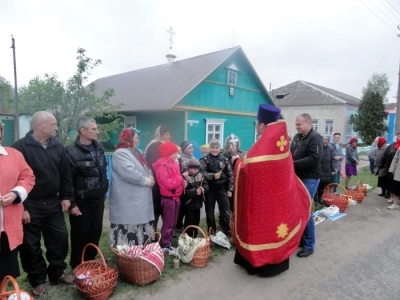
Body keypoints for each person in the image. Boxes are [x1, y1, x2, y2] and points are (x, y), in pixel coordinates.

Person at [233, 104, 312, 277]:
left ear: (262, 125)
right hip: (280, 201)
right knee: (277, 231)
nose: (256, 125)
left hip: (262, 203)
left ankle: (259, 263)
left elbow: (246, 169)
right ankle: (277, 261)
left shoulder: (260, 148)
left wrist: (236, 162)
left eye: (256, 123)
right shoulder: (281, 145)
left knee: (261, 231)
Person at [12, 111, 74, 297]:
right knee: (30, 245)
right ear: (40, 125)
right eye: (53, 124)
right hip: (30, 204)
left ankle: (57, 272)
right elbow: (14, 180)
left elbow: (65, 174)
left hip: (53, 202)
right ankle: (37, 279)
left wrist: (66, 196)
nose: (56, 127)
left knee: (60, 239)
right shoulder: (20, 148)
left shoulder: (57, 146)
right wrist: (22, 207)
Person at [64, 117, 109, 270]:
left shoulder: (99, 147)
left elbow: (102, 171)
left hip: (98, 198)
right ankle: (78, 265)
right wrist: (72, 204)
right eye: (94, 129)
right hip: (81, 201)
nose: (97, 131)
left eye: (97, 128)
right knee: (80, 234)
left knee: (95, 231)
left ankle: (90, 260)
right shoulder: (70, 151)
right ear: (83, 131)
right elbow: (67, 179)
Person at [0, 119, 35, 281]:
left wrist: (15, 193)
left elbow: (28, 177)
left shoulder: (14, 155)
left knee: (6, 268)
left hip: (8, 226)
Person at [109, 128, 155, 247]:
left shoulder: (136, 153)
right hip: (128, 198)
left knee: (140, 223)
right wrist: (146, 181)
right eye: (135, 138)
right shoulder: (121, 153)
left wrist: (150, 175)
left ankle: (140, 251)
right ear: (128, 139)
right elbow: (129, 173)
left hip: (139, 198)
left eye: (138, 138)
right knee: (130, 224)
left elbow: (146, 168)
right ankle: (127, 254)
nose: (137, 140)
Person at [290, 113, 323, 258]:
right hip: (296, 177)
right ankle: (302, 240)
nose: (296, 127)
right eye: (296, 124)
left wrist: (292, 164)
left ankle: (309, 246)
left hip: (310, 178)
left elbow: (314, 159)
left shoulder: (315, 138)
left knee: (306, 210)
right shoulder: (297, 137)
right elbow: (291, 153)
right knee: (297, 210)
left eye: (299, 124)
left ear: (308, 123)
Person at [152, 141, 186, 253]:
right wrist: (181, 179)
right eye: (174, 153)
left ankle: (169, 242)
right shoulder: (162, 166)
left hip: (175, 197)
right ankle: (164, 244)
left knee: (173, 222)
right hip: (168, 198)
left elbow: (176, 180)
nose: (176, 155)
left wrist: (183, 183)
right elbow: (168, 184)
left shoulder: (173, 163)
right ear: (167, 153)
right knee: (168, 223)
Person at [200, 139, 233, 237]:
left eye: (217, 148)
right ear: (209, 148)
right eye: (212, 148)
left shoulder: (224, 159)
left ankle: (227, 230)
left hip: (222, 189)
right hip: (210, 189)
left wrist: (230, 189)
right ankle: (211, 232)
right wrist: (213, 175)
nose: (215, 150)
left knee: (226, 211)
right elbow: (202, 173)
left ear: (220, 148)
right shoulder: (204, 159)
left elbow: (230, 175)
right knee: (210, 212)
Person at [145, 125, 171, 231]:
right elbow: (153, 164)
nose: (169, 136)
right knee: (156, 209)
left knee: (166, 211)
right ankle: (152, 236)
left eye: (169, 134)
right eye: (166, 134)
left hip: (167, 183)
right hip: (157, 183)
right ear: (160, 135)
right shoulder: (154, 146)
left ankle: (166, 237)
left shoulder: (166, 146)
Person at [180, 158, 209, 238]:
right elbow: (183, 192)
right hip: (189, 204)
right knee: (189, 222)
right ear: (189, 168)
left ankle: (194, 235)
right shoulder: (184, 176)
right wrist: (195, 192)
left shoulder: (200, 175)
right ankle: (187, 237)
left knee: (196, 221)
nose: (197, 170)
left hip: (198, 204)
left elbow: (206, 185)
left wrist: (204, 189)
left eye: (197, 169)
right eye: (195, 169)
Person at [176, 141, 195, 231]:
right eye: (189, 148)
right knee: (181, 206)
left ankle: (187, 225)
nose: (192, 150)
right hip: (182, 184)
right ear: (184, 149)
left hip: (191, 184)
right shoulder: (180, 159)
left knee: (188, 205)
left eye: (192, 148)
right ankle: (178, 224)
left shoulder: (193, 158)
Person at [315, 137, 336, 203]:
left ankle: (321, 198)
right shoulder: (318, 148)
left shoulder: (330, 149)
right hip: (320, 170)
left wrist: (332, 169)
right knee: (318, 186)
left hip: (327, 171)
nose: (325, 142)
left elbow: (332, 160)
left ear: (328, 142)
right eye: (324, 141)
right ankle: (316, 199)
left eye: (327, 141)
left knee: (325, 186)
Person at [384, 133, 400, 205]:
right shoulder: (392, 145)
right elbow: (394, 158)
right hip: (395, 169)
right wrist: (391, 169)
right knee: (394, 185)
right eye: (399, 136)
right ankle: (393, 199)